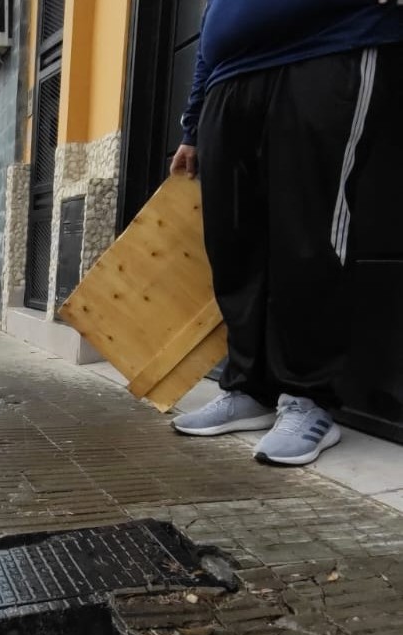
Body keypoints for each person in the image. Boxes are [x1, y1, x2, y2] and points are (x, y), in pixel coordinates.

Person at [169, 0, 403, 466]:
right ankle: (249, 389)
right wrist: (192, 124)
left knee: (309, 234)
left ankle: (307, 398)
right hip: (227, 78)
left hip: (328, 48)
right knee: (233, 244)